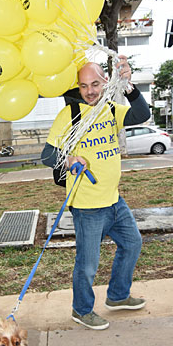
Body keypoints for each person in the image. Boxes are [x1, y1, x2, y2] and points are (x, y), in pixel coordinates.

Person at [41, 55, 151, 330]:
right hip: (88, 206)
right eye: (83, 86)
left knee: (132, 243)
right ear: (77, 88)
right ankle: (82, 310)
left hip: (114, 200)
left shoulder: (111, 110)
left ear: (104, 82)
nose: (89, 91)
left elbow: (142, 114)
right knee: (87, 265)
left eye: (95, 84)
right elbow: (46, 155)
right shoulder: (71, 115)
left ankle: (117, 296)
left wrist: (128, 85)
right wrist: (67, 159)